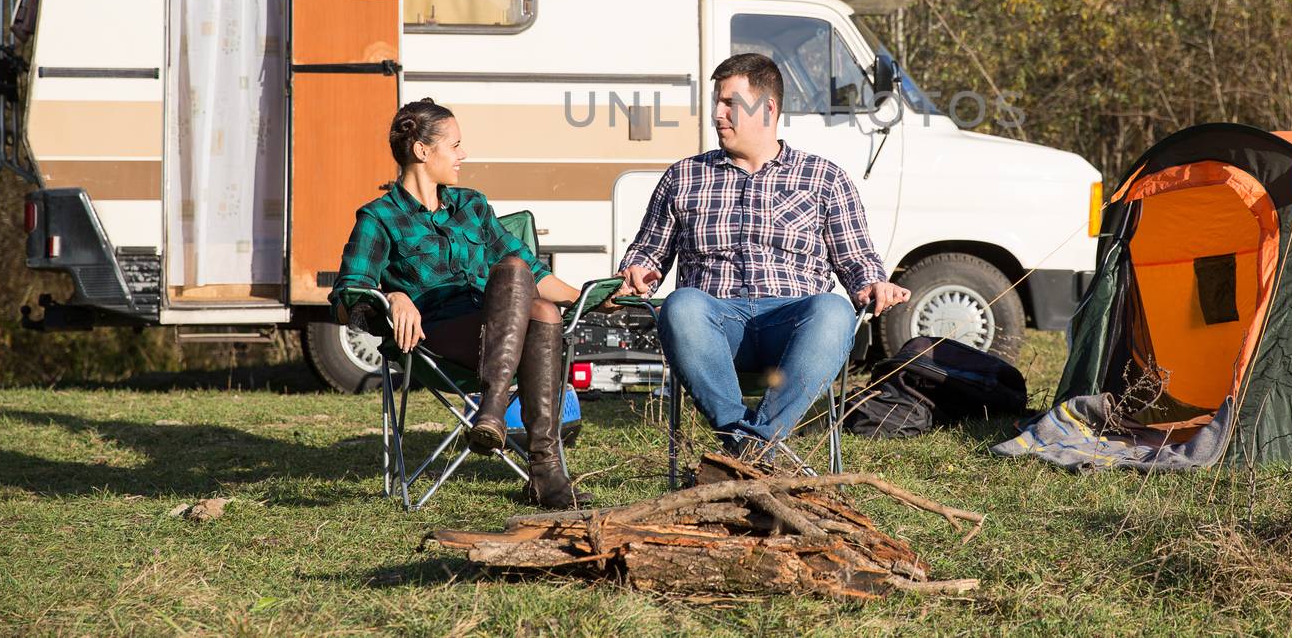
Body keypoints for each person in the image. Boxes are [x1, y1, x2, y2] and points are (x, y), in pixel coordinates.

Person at [616, 52, 911, 458]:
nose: (717, 114)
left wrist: (873, 285)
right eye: (716, 103)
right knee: (681, 304)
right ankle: (752, 446)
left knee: (834, 310)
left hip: (792, 327)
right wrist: (637, 272)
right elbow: (648, 252)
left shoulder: (824, 178)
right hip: (714, 326)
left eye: (729, 104)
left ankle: (747, 450)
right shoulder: (684, 177)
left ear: (767, 108)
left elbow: (857, 259)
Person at [330, 98, 587, 509]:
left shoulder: (472, 206)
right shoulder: (379, 218)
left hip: (499, 326)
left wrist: (590, 297)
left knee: (532, 290)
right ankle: (537, 461)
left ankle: (499, 420)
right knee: (532, 298)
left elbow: (535, 274)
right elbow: (346, 299)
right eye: (455, 145)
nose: (463, 154)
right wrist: (393, 297)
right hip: (437, 338)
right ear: (422, 151)